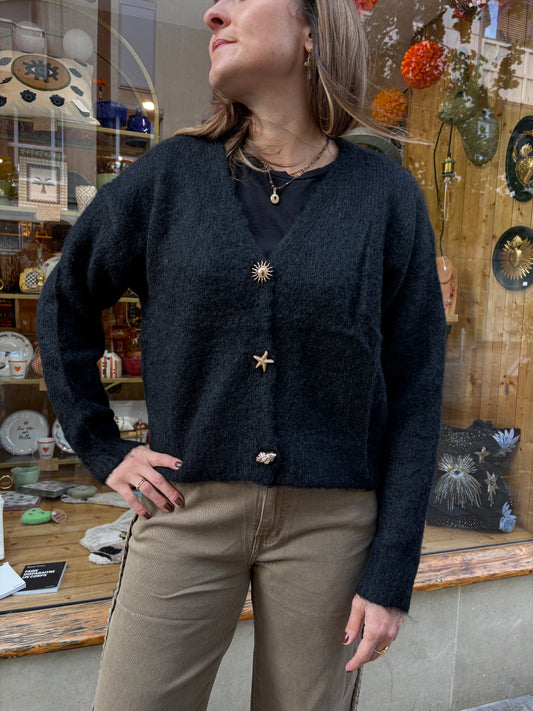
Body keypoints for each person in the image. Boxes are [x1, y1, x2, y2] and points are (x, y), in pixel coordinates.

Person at [36, 0, 446, 709]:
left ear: (312, 32)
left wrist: (390, 573)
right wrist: (102, 446)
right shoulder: (170, 176)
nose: (212, 12)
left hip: (331, 523)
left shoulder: (385, 197)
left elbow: (416, 387)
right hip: (185, 506)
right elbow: (65, 298)